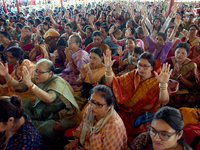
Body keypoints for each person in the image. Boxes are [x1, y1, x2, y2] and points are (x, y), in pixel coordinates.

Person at [0, 58, 82, 144]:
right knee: (15, 106)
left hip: (56, 115)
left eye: (40, 72)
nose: (36, 74)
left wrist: (30, 85)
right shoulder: (38, 78)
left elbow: (49, 99)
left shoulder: (57, 82)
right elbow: (17, 86)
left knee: (45, 130)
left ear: (50, 73)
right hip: (39, 110)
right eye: (36, 71)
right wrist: (6, 75)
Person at [104, 50, 172, 142]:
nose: (141, 69)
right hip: (125, 111)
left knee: (143, 136)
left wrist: (163, 84)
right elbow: (113, 84)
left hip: (145, 114)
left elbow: (164, 101)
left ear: (152, 67)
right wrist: (108, 69)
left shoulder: (158, 80)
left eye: (146, 66)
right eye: (139, 65)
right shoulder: (133, 74)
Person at [64, 85, 127, 150]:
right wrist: (76, 141)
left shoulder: (114, 128)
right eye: (92, 101)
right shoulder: (90, 109)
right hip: (83, 144)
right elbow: (83, 125)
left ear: (109, 105)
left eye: (99, 104)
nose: (93, 107)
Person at [164, 42, 199, 108]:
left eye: (183, 53)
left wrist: (179, 75)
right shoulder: (168, 62)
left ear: (188, 54)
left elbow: (192, 86)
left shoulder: (191, 65)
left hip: (185, 90)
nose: (179, 55)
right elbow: (162, 79)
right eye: (177, 52)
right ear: (174, 52)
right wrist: (171, 74)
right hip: (169, 89)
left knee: (190, 98)